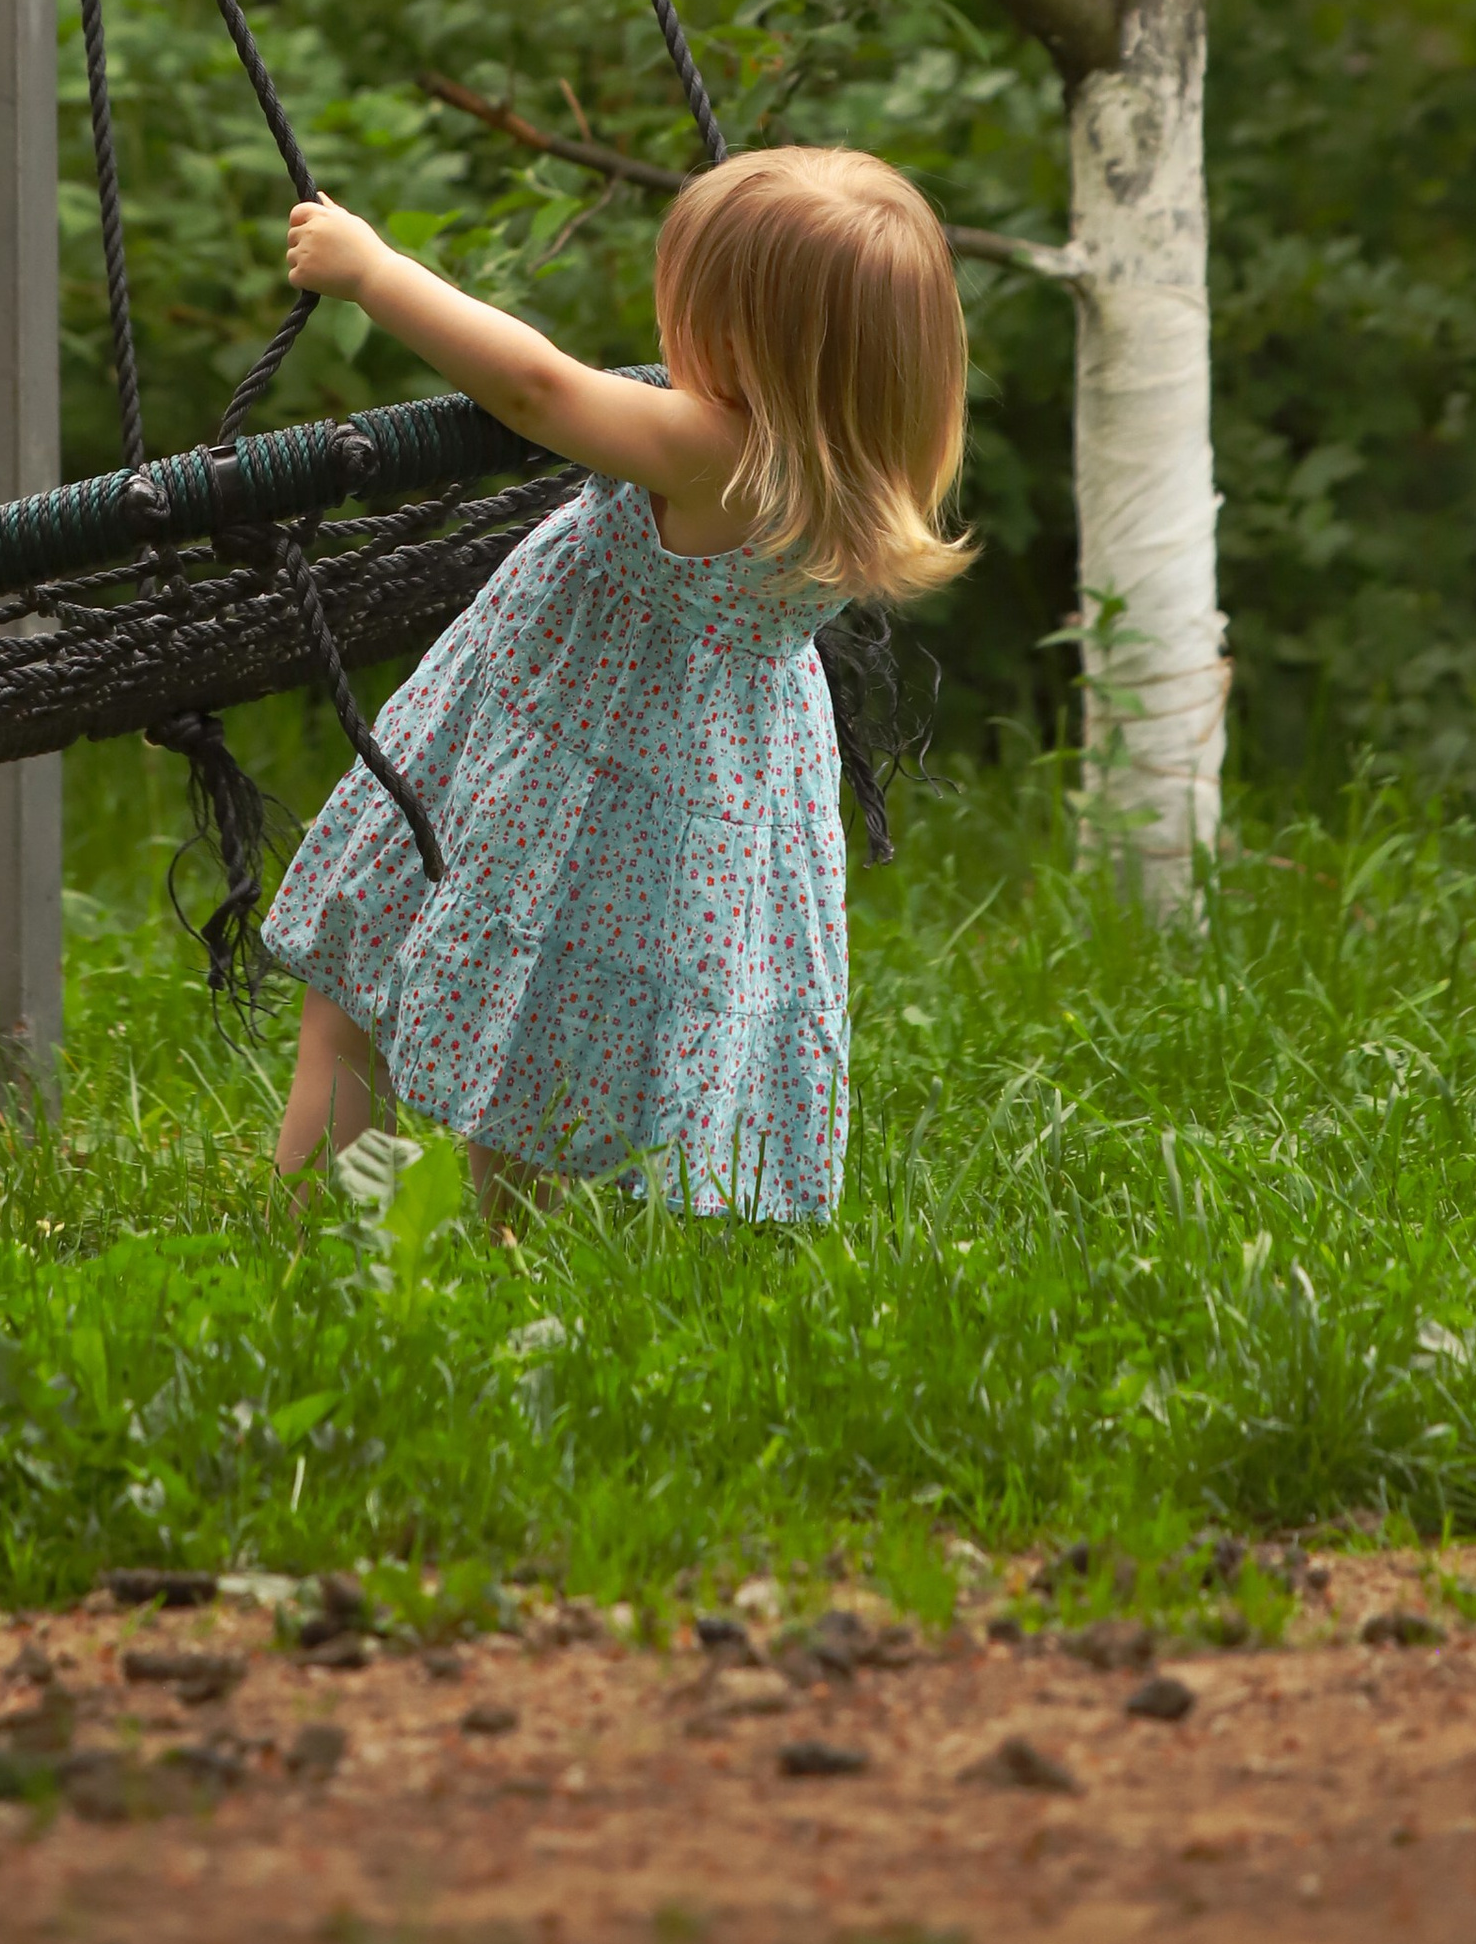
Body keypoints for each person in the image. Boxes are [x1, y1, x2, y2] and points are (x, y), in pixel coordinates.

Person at [263, 146, 973, 1224]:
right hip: (686, 803)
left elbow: (535, 385)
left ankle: (332, 1228)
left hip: (553, 766)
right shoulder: (857, 474)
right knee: (548, 1076)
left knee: (356, 988)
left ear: (739, 341)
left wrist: (372, 271)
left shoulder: (711, 450)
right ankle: (511, 1270)